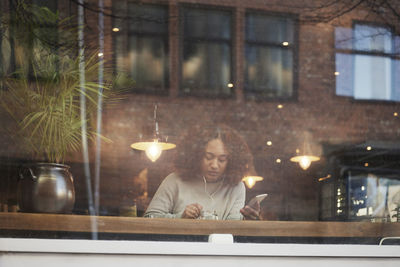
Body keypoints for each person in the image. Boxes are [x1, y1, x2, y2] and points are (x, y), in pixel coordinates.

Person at [144, 124, 260, 220]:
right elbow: (149, 218)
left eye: (222, 159)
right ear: (196, 155)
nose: (214, 165)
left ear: (231, 161)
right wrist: (181, 218)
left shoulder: (236, 187)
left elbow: (232, 228)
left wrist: (246, 221)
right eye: (209, 157)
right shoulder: (174, 181)